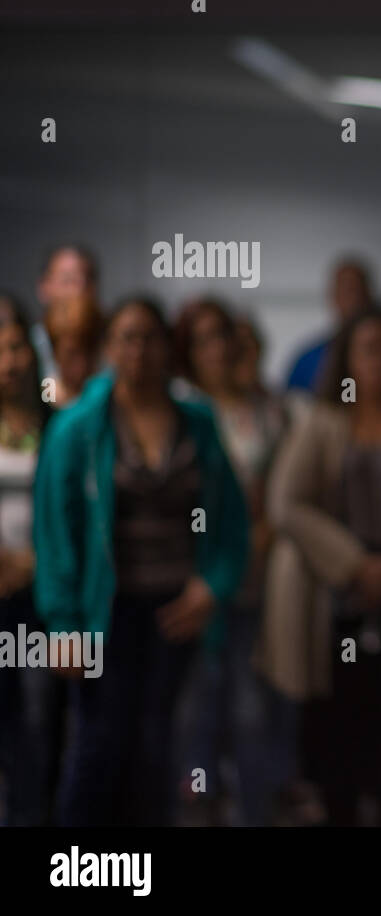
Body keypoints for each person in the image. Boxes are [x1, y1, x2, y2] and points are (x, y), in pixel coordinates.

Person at [33, 296, 248, 826]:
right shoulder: (79, 427)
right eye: (126, 337)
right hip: (104, 611)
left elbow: (230, 519)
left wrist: (211, 586)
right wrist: (63, 624)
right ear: (109, 346)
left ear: (167, 347)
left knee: (158, 747)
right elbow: (56, 533)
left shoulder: (196, 421)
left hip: (176, 609)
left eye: (150, 337)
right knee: (97, 746)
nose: (139, 349)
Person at [262, 306, 381, 826]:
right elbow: (286, 503)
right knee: (334, 737)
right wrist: (356, 563)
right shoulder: (323, 421)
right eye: (368, 348)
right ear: (347, 359)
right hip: (334, 597)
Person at [171, 298, 289, 825]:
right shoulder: (179, 407)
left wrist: (265, 525)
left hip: (256, 576)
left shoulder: (268, 410)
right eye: (204, 340)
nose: (217, 349)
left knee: (251, 707)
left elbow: (284, 489)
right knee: (194, 708)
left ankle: (255, 812)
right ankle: (196, 807)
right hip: (193, 577)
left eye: (224, 337)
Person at [0, 296, 56, 825]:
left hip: (40, 595)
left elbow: (74, 517)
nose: (8, 360)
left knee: (37, 722)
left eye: (16, 346)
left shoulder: (58, 426)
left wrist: (34, 562)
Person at [283, 257, 374, 394]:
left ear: (369, 295)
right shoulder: (308, 360)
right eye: (346, 291)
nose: (353, 299)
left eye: (357, 290)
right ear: (333, 296)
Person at [31, 244, 98, 383]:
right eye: (68, 280)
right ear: (44, 286)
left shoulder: (112, 346)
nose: (79, 289)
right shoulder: (27, 346)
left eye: (87, 280)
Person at [42, 291, 103, 407]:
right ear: (54, 352)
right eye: (71, 355)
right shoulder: (46, 397)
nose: (82, 365)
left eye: (89, 352)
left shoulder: (112, 395)